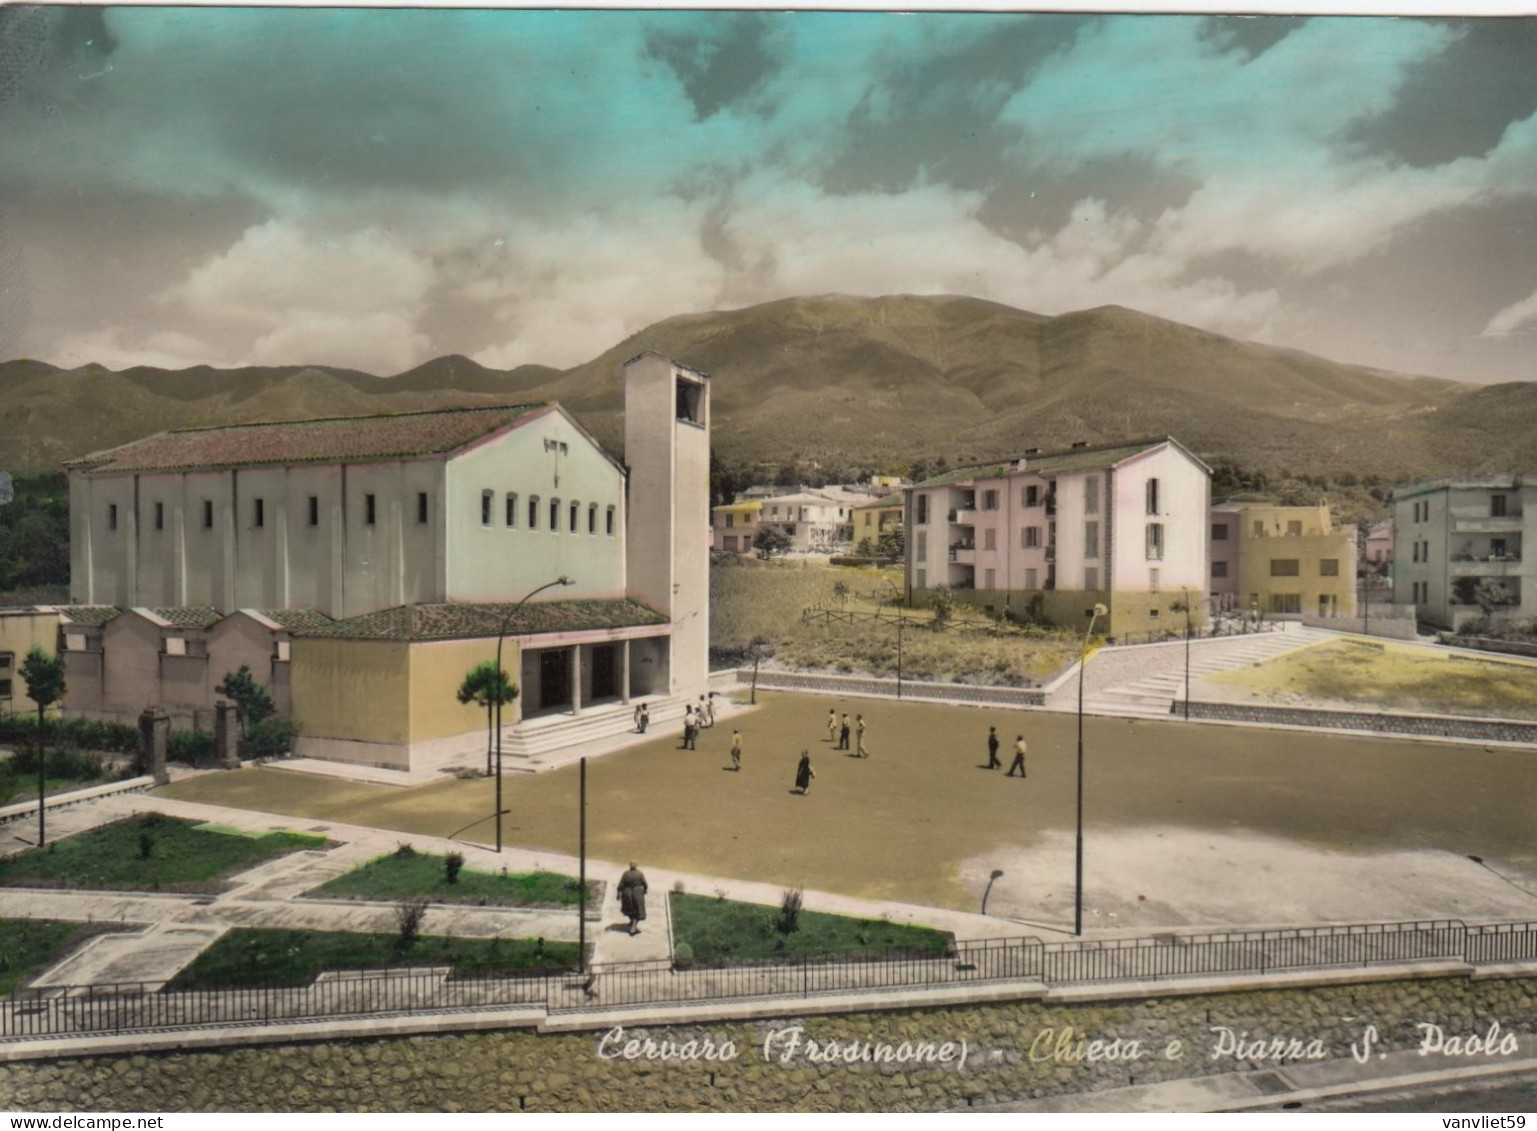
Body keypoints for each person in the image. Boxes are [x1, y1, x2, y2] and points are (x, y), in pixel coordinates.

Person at [618, 863, 648, 935]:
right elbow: (645, 884)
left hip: (627, 893)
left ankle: (632, 921)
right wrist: (645, 890)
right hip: (637, 893)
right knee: (638, 910)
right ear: (636, 866)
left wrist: (618, 893)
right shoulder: (640, 874)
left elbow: (621, 884)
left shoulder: (626, 874)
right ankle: (633, 928)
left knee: (629, 909)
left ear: (630, 866)